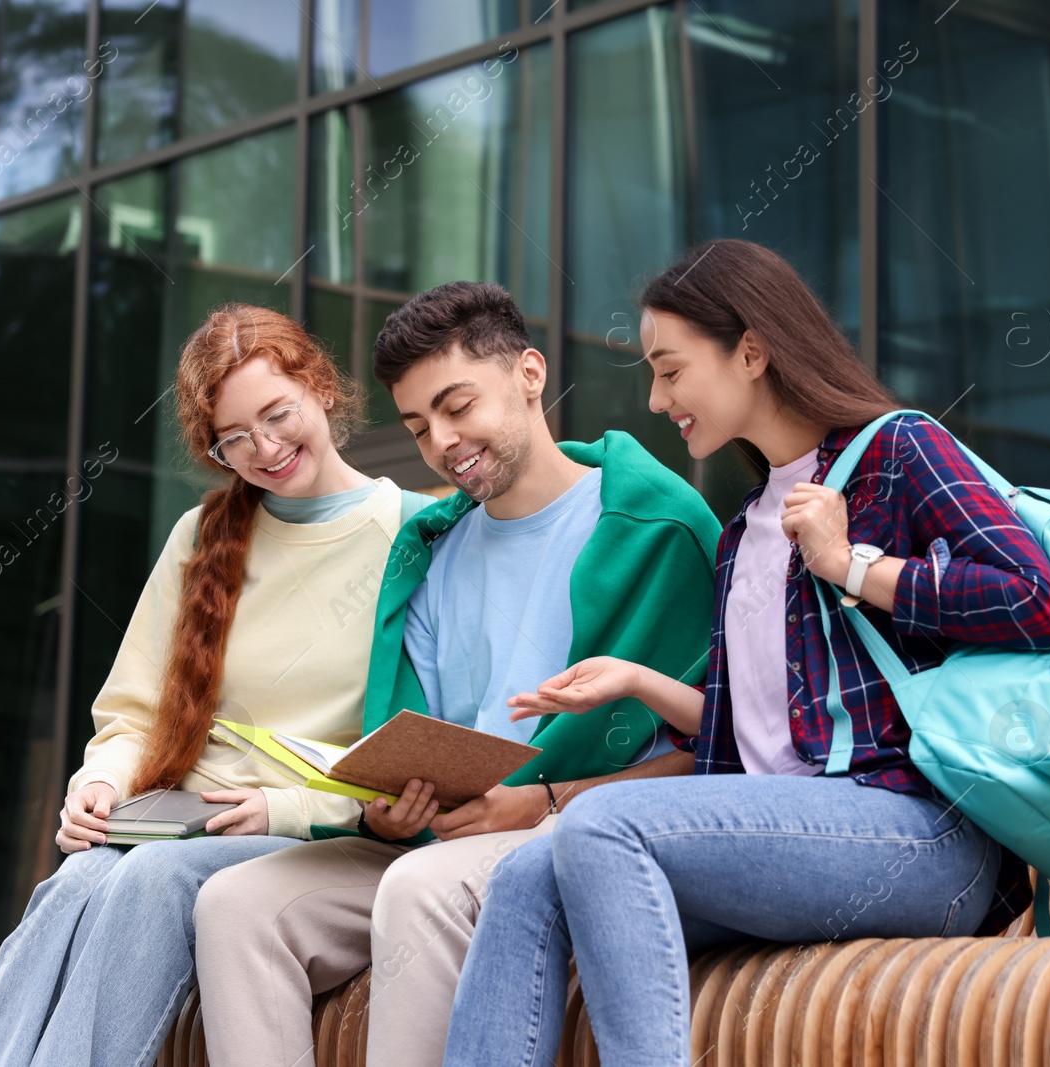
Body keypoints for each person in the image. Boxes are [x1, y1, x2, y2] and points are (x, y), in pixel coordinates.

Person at [441, 239, 1050, 1064]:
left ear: (750, 349)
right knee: (527, 878)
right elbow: (760, 745)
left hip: (919, 838)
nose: (657, 397)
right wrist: (639, 683)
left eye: (671, 369)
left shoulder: (896, 452)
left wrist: (853, 566)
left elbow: (1035, 600)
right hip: (794, 844)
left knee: (597, 824)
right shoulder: (741, 532)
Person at [192, 282, 724, 1067]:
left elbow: (718, 750)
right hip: (444, 842)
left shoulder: (657, 526)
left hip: (571, 835)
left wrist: (541, 800)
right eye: (417, 425)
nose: (441, 441)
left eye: (457, 405)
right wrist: (389, 813)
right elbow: (416, 747)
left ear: (531, 375)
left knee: (423, 889)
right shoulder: (434, 551)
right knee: (234, 903)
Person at [0, 304, 435, 1067]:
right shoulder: (201, 537)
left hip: (313, 837)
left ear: (322, 388)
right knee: (77, 879)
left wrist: (287, 805)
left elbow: (418, 746)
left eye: (278, 415)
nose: (265, 449)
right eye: (234, 438)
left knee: (154, 875)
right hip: (177, 822)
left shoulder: (417, 533)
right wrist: (100, 785)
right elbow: (133, 712)